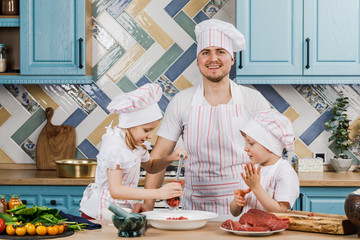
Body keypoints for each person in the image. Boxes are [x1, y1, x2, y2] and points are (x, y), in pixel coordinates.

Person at [133, 19, 270, 216]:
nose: (213, 58)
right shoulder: (182, 101)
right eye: (206, 52)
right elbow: (159, 158)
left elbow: (271, 156)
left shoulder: (253, 100)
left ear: (232, 59)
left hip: (244, 203)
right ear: (198, 61)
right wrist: (148, 204)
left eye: (221, 52)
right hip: (195, 210)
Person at [79, 83, 186, 220]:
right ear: (130, 125)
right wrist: (158, 193)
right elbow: (116, 190)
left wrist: (171, 158)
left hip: (121, 212)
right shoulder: (115, 146)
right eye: (146, 130)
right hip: (101, 213)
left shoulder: (136, 144)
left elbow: (151, 167)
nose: (150, 136)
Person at [230, 109, 299, 217]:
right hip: (248, 230)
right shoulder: (252, 168)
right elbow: (235, 213)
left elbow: (280, 212)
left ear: (270, 147)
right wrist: (237, 202)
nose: (245, 148)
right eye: (246, 142)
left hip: (272, 231)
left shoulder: (284, 172)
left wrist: (256, 187)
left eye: (251, 143)